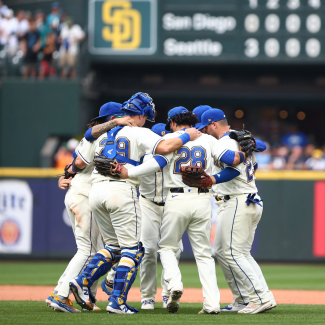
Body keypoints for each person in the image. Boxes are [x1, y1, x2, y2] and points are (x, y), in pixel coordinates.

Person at [67, 93, 200, 314]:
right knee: (133, 250)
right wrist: (187, 135)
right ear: (141, 115)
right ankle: (114, 300)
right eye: (145, 117)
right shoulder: (138, 131)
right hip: (121, 190)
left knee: (113, 248)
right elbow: (166, 148)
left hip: (96, 191)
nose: (145, 121)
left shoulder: (102, 133)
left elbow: (83, 151)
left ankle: (83, 281)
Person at [116, 107, 244, 314]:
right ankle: (212, 304)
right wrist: (241, 154)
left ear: (173, 123)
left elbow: (156, 162)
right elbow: (231, 161)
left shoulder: (173, 140)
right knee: (203, 255)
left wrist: (129, 172)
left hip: (175, 198)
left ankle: (174, 284)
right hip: (203, 198)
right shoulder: (209, 140)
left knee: (166, 247)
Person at [46, 102, 136, 313]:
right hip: (84, 196)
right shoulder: (100, 137)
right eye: (120, 118)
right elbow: (79, 162)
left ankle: (62, 292)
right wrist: (68, 173)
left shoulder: (97, 138)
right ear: (112, 119)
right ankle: (61, 296)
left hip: (81, 194)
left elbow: (76, 164)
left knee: (92, 250)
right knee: (87, 251)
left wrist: (66, 175)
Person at [200, 108, 276, 314]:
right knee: (227, 253)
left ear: (213, 124)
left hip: (238, 200)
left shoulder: (224, 142)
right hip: (242, 200)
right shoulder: (238, 139)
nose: (203, 132)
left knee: (234, 253)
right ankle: (242, 299)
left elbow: (233, 163)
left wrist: (213, 179)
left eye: (204, 127)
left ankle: (261, 297)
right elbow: (253, 161)